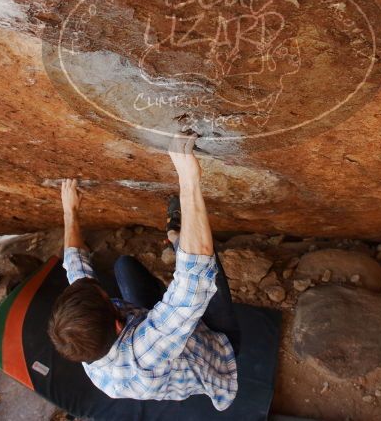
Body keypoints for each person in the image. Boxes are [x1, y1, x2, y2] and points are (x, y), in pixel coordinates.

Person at [48, 134, 241, 410]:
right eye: (107, 299)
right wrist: (188, 179)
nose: (105, 292)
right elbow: (194, 279)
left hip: (146, 329)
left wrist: (70, 212)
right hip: (218, 346)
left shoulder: (85, 343)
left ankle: (177, 241)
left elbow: (76, 270)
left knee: (123, 266)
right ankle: (176, 235)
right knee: (208, 271)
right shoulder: (143, 355)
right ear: (117, 324)